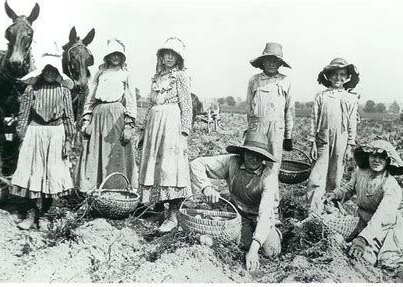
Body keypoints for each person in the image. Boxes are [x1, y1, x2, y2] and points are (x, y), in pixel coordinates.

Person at [190, 131, 282, 271]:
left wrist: (254, 250)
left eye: (259, 155)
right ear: (243, 152)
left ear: (263, 157)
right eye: (251, 153)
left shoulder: (268, 176)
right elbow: (197, 164)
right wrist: (206, 187)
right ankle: (246, 237)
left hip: (263, 217)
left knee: (272, 252)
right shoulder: (232, 162)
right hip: (239, 215)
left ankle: (275, 232)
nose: (254, 158)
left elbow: (264, 214)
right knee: (238, 245)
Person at [11, 48, 75, 230]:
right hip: (35, 132)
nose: (50, 73)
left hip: (56, 134)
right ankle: (30, 214)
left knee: (51, 173)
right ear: (41, 71)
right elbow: (23, 114)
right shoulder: (32, 89)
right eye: (47, 69)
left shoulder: (64, 92)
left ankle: (44, 215)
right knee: (33, 172)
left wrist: (69, 140)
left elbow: (69, 117)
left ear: (58, 73)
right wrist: (22, 136)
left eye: (53, 70)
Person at [322, 139, 403, 268]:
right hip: (362, 220)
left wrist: (363, 239)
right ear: (368, 156)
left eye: (382, 157)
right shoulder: (360, 172)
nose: (377, 160)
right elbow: (349, 188)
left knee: (371, 259)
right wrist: (335, 194)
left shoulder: (391, 186)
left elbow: (380, 216)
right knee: (326, 227)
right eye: (373, 155)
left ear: (388, 161)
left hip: (385, 227)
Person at [137, 37, 193, 233]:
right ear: (161, 56)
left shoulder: (181, 77)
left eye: (173, 54)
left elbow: (187, 106)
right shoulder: (156, 78)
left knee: (171, 169)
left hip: (171, 125)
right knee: (155, 166)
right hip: (154, 125)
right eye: (166, 54)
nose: (169, 57)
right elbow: (151, 105)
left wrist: (184, 133)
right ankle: (157, 209)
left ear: (178, 58)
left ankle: (173, 215)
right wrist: (143, 131)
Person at [75, 39, 138, 192]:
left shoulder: (125, 74)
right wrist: (87, 120)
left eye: (118, 54)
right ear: (107, 57)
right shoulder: (100, 73)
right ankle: (94, 189)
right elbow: (91, 98)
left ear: (122, 57)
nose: (115, 57)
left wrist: (129, 125)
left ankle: (117, 189)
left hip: (116, 115)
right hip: (98, 115)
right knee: (94, 152)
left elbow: (130, 100)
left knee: (116, 152)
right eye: (112, 54)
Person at [246, 42, 294, 224]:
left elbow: (289, 109)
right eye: (268, 60)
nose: (271, 63)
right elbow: (249, 107)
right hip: (258, 127)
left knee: (273, 168)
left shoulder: (285, 81)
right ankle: (253, 206)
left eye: (275, 60)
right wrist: (251, 129)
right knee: (254, 165)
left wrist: (288, 135)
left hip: (277, 128)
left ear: (280, 63)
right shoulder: (254, 80)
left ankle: (272, 210)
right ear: (262, 62)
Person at [306, 58, 360, 214]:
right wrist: (312, 142)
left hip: (342, 138)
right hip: (322, 137)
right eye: (335, 74)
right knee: (318, 173)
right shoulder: (321, 96)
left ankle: (330, 205)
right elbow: (313, 119)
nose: (338, 78)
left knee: (336, 172)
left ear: (348, 77)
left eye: (342, 74)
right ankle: (314, 209)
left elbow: (352, 122)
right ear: (328, 76)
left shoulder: (350, 98)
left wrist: (350, 144)